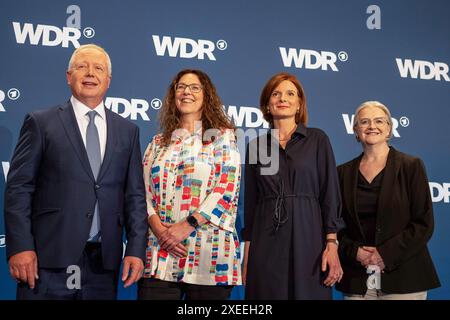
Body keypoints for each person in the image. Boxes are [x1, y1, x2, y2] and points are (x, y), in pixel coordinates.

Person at [4, 44, 148, 300]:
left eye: (98, 68)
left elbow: (134, 197)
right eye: (82, 66)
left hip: (103, 264)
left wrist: (136, 249)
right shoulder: (41, 122)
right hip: (47, 260)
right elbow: (19, 188)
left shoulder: (128, 131)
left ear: (108, 80)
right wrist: (21, 247)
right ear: (69, 76)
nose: (90, 73)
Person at [138, 69, 242, 300]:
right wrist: (159, 228)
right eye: (181, 87)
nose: (187, 92)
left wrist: (185, 227)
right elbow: (141, 192)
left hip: (209, 255)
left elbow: (226, 190)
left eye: (195, 87)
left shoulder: (222, 137)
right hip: (160, 251)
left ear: (207, 96)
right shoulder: (157, 143)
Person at [242, 72, 344, 299]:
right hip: (265, 240)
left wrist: (332, 243)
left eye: (290, 93)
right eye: (275, 94)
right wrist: (247, 255)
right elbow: (251, 204)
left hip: (309, 238)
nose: (282, 98)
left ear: (299, 104)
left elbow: (330, 194)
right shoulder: (256, 146)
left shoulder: (318, 139)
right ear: (267, 105)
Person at [336, 101, 440, 300]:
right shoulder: (341, 173)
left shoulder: (411, 166)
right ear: (356, 130)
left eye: (379, 121)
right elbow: (335, 224)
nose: (372, 126)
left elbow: (423, 223)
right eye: (364, 122)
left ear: (389, 128)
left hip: (404, 277)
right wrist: (355, 252)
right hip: (357, 279)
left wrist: (384, 254)